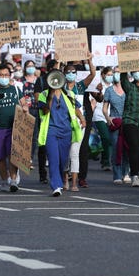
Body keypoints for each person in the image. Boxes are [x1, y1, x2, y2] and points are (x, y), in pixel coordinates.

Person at [37, 74, 85, 196]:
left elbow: (75, 108)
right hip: (51, 131)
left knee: (63, 160)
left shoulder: (69, 94)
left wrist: (82, 119)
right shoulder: (43, 94)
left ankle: (58, 179)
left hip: (66, 131)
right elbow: (45, 111)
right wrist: (50, 97)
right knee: (53, 158)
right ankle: (56, 186)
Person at [0, 64, 28, 192]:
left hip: (14, 128)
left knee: (13, 155)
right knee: (1, 157)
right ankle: (4, 180)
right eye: (1, 75)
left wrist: (25, 108)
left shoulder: (15, 90)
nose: (4, 77)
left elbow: (24, 104)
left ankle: (13, 180)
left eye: (6, 75)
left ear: (10, 77)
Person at [62, 55, 96, 190]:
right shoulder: (61, 88)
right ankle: (65, 180)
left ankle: (74, 183)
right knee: (65, 153)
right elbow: (53, 75)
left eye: (73, 72)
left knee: (75, 153)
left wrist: (89, 60)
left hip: (79, 123)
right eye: (68, 72)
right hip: (63, 123)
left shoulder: (81, 86)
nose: (71, 74)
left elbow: (93, 74)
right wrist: (59, 62)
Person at [103, 67, 128, 184]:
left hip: (127, 123)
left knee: (127, 149)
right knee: (116, 148)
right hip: (115, 124)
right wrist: (108, 119)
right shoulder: (109, 90)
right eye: (114, 72)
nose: (116, 74)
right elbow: (104, 108)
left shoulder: (128, 88)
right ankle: (117, 174)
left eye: (118, 72)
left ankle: (126, 173)